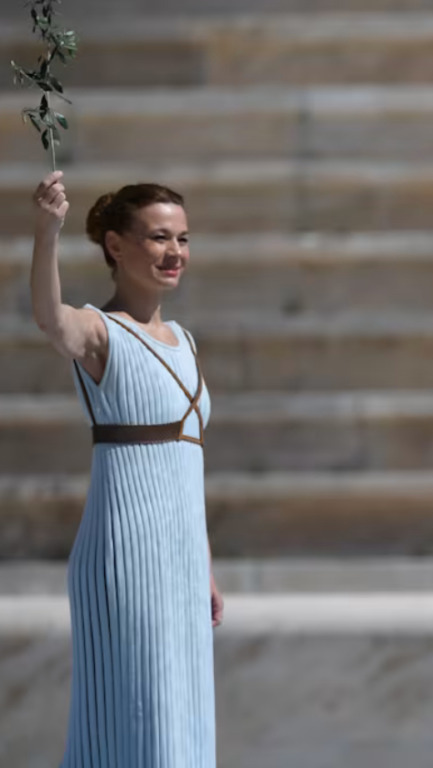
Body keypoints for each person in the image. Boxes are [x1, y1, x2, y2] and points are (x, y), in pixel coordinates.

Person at [30, 172, 220, 767]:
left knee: (182, 717)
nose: (175, 253)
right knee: (134, 719)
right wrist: (47, 233)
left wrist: (205, 565)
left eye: (183, 239)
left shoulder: (185, 340)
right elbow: (47, 319)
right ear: (116, 246)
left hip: (182, 558)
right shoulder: (98, 331)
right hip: (125, 554)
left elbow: (188, 464)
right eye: (159, 238)